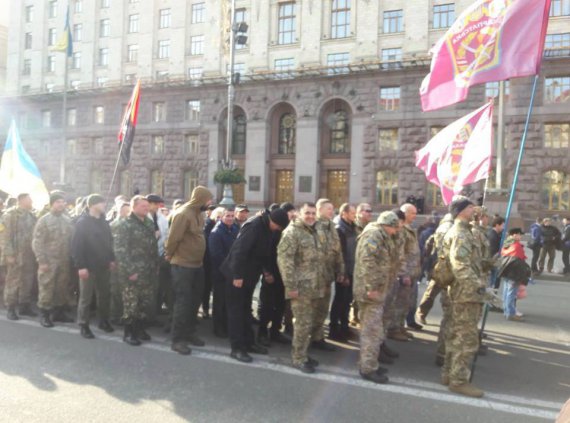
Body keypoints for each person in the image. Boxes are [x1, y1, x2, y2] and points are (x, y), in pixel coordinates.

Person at [222, 207, 289, 363]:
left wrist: (267, 271)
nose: (278, 230)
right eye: (278, 227)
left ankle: (249, 343)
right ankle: (237, 348)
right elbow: (239, 251)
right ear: (273, 221)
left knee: (246, 311)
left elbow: (264, 252)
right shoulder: (254, 226)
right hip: (236, 275)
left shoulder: (268, 228)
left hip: (249, 275)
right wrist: (238, 275)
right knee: (236, 313)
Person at [441, 196, 486, 398]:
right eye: (470, 207)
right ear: (460, 211)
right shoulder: (460, 233)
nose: (474, 210)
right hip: (466, 294)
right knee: (466, 339)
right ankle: (458, 381)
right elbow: (460, 265)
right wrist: (478, 287)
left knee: (455, 334)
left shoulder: (466, 231)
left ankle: (448, 374)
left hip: (463, 292)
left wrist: (488, 263)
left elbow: (470, 261)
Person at [354, 211, 401, 384]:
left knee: (374, 329)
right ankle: (367, 368)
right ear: (388, 225)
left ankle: (370, 363)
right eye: (395, 229)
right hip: (370, 292)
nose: (396, 232)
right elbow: (368, 262)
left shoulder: (381, 234)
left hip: (377, 290)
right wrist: (372, 287)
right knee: (371, 331)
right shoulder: (374, 235)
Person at [166, 186, 213, 355]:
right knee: (183, 303)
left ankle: (189, 333)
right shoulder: (183, 214)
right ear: (200, 199)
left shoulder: (199, 213)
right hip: (182, 265)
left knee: (195, 301)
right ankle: (177, 340)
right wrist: (169, 255)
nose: (210, 203)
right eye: (208, 200)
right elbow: (173, 239)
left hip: (197, 265)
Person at [278, 203, 325, 373]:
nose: (311, 216)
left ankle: (303, 353)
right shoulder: (292, 232)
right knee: (302, 324)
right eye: (307, 213)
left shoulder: (313, 231)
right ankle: (298, 358)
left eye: (313, 213)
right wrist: (290, 286)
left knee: (308, 322)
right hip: (300, 287)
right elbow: (285, 261)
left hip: (313, 286)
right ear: (299, 214)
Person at [113, 195, 159, 346]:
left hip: (147, 271)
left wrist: (155, 266)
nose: (146, 209)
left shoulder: (148, 223)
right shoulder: (125, 224)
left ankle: (139, 329)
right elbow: (121, 251)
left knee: (144, 303)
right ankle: (129, 333)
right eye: (143, 206)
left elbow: (152, 247)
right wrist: (130, 271)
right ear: (134, 207)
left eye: (147, 206)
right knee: (131, 304)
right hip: (132, 272)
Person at [72, 194, 116, 339]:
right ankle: (83, 324)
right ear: (92, 205)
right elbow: (77, 247)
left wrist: (111, 259)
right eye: (101, 203)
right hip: (88, 266)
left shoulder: (104, 222)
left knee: (104, 295)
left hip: (103, 265)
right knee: (86, 297)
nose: (104, 205)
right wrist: (81, 266)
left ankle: (103, 320)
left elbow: (109, 242)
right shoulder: (82, 223)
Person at [32, 192, 73, 328]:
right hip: (49, 261)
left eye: (63, 202)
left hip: (63, 261)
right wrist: (41, 261)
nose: (61, 204)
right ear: (52, 204)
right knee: (46, 287)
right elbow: (37, 242)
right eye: (58, 202)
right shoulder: (44, 220)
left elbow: (71, 240)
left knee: (61, 288)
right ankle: (44, 314)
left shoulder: (67, 220)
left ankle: (59, 312)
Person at [257, 203, 296, 347]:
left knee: (280, 305)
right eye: (290, 214)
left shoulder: (289, 230)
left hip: (283, 275)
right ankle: (262, 333)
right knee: (267, 305)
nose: (292, 217)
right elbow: (264, 253)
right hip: (271, 274)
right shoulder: (273, 231)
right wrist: (266, 272)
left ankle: (275, 331)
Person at [387, 203, 422, 340]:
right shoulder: (401, 230)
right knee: (399, 302)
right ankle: (394, 329)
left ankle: (400, 326)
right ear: (405, 213)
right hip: (404, 273)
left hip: (412, 272)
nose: (415, 216)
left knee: (406, 302)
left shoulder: (409, 229)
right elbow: (401, 253)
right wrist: (403, 274)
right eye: (412, 213)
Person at [314, 199, 345, 351]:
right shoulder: (312, 226)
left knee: (322, 309)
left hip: (327, 276)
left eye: (333, 209)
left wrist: (340, 270)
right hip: (314, 277)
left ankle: (318, 337)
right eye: (329, 209)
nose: (332, 211)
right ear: (319, 209)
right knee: (312, 309)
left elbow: (337, 250)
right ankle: (308, 339)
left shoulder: (331, 226)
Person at [1, 193, 38, 320]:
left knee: (27, 281)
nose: (32, 201)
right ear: (21, 200)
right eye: (29, 199)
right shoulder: (10, 215)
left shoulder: (32, 216)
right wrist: (9, 254)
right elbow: (4, 236)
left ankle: (24, 306)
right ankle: (10, 307)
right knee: (13, 281)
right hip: (15, 255)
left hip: (29, 255)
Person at [415, 213, 454, 326]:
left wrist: (427, 257)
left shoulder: (439, 229)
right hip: (445, 266)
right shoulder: (451, 229)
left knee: (431, 292)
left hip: (439, 264)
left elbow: (429, 244)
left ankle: (421, 313)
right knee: (440, 293)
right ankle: (445, 318)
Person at [329, 203, 357, 342]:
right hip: (344, 271)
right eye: (352, 213)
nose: (355, 215)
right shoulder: (340, 229)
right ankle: (334, 329)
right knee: (340, 300)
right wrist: (343, 273)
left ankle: (344, 327)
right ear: (344, 214)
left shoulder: (352, 227)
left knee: (347, 301)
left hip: (351, 269)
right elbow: (340, 254)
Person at [208, 208, 238, 337]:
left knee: (229, 301)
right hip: (221, 272)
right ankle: (218, 328)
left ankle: (226, 326)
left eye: (232, 216)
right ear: (221, 217)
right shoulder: (216, 232)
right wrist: (229, 269)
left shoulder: (235, 229)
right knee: (219, 302)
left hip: (232, 271)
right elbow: (216, 256)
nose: (230, 218)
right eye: (228, 216)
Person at [146, 194, 170, 323]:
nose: (157, 206)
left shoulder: (162, 218)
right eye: (154, 203)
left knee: (158, 285)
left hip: (160, 255)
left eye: (158, 204)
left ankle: (155, 311)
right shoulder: (144, 217)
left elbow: (167, 234)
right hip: (146, 256)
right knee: (149, 287)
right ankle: (148, 315)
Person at [351, 203, 373, 326]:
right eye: (367, 211)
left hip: (365, 263)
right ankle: (354, 316)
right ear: (359, 213)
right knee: (356, 292)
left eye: (371, 211)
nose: (370, 213)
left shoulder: (370, 227)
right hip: (355, 262)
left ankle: (357, 316)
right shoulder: (355, 227)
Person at [110, 202, 131, 325]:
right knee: (116, 289)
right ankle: (114, 315)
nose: (127, 213)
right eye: (125, 210)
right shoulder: (115, 225)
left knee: (124, 290)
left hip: (126, 262)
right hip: (117, 261)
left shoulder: (129, 224)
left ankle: (122, 314)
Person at [500, 228, 527, 321]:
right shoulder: (516, 246)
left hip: (506, 270)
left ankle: (506, 311)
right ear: (514, 235)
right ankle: (511, 313)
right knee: (512, 293)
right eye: (520, 234)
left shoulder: (506, 244)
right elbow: (521, 259)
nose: (521, 236)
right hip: (514, 272)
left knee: (507, 292)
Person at [202, 204, 218, 320]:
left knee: (215, 288)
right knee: (206, 287)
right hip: (207, 263)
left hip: (215, 264)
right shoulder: (208, 226)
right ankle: (206, 309)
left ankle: (213, 310)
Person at [486, 216, 505, 288]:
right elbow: (492, 250)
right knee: (492, 281)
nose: (503, 227)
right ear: (497, 225)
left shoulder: (496, 234)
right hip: (493, 261)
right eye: (502, 225)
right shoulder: (493, 235)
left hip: (494, 261)